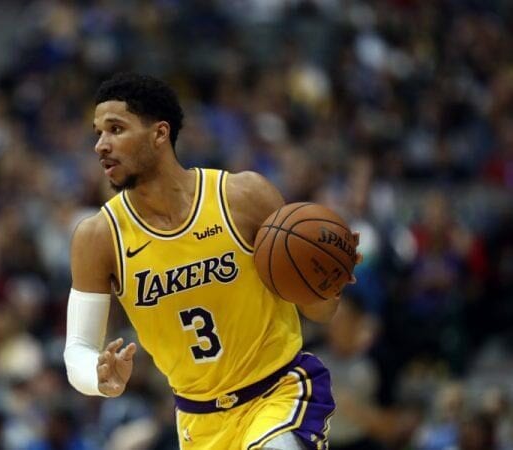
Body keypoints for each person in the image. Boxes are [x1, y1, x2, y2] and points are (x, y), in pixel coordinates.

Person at [64, 72, 359, 450]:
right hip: (199, 422)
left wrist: (327, 277)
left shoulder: (242, 197)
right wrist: (98, 376)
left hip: (280, 392)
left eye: (116, 129)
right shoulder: (98, 238)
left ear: (159, 134)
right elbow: (78, 349)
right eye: (98, 133)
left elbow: (320, 311)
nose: (101, 145)